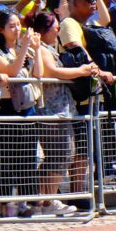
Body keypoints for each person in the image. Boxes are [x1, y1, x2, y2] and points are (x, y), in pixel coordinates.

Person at [32, 11, 100, 216]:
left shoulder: (51, 48)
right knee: (61, 153)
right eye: (55, 28)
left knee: (63, 154)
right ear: (44, 30)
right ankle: (48, 200)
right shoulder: (43, 50)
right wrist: (82, 71)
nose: (58, 32)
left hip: (61, 108)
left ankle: (45, 199)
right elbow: (53, 72)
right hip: (52, 110)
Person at [0, 10, 43, 217]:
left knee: (27, 156)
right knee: (4, 156)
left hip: (27, 106)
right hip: (5, 107)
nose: (17, 29)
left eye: (17, 25)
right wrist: (24, 49)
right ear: (0, 30)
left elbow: (38, 74)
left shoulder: (24, 49)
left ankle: (23, 201)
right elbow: (11, 71)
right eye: (11, 26)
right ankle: (0, 202)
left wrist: (35, 49)